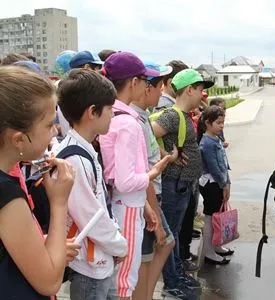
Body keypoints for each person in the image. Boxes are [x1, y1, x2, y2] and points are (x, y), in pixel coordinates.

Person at [0, 66, 76, 299]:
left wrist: (39, 242)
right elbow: (50, 281)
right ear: (19, 139)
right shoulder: (6, 194)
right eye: (48, 124)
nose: (55, 131)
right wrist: (60, 203)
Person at [99, 52, 170, 300]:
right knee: (124, 282)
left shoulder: (113, 115)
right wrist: (154, 172)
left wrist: (147, 209)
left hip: (124, 204)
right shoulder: (128, 123)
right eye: (144, 79)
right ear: (133, 83)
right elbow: (126, 181)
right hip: (127, 205)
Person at [57, 69, 128, 300]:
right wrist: (119, 245)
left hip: (98, 257)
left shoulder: (82, 149)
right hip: (89, 266)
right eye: (110, 110)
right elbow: (90, 215)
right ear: (92, 112)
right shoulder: (74, 158)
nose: (113, 116)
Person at [151, 69, 213, 299]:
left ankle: (176, 275)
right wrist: (166, 154)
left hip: (182, 185)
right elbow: (144, 133)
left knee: (174, 234)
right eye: (199, 89)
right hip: (174, 185)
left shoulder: (183, 115)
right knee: (170, 236)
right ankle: (172, 282)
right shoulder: (173, 115)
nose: (203, 94)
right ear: (189, 90)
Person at [130, 61, 177, 300]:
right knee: (145, 259)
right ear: (146, 88)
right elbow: (142, 174)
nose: (163, 91)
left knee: (164, 245)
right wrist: (154, 216)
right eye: (161, 86)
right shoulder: (133, 122)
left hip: (150, 195)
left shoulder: (143, 117)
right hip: (146, 197)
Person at [198, 106, 233, 265]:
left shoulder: (215, 139)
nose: (221, 126)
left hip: (218, 182)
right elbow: (214, 167)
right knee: (211, 217)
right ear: (208, 123)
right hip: (211, 184)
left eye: (223, 122)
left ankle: (217, 245)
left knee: (217, 216)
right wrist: (224, 184)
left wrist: (227, 182)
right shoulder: (207, 143)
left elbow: (223, 164)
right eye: (218, 123)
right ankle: (209, 252)